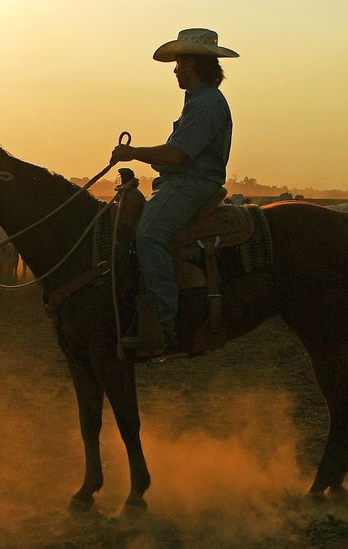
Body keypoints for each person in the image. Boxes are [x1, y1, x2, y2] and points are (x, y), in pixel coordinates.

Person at [111, 28, 239, 352]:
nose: (175, 69)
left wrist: (133, 152)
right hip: (180, 182)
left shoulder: (207, 104)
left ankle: (163, 325)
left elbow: (177, 155)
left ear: (193, 64)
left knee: (149, 234)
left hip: (191, 185)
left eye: (179, 62)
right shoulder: (198, 101)